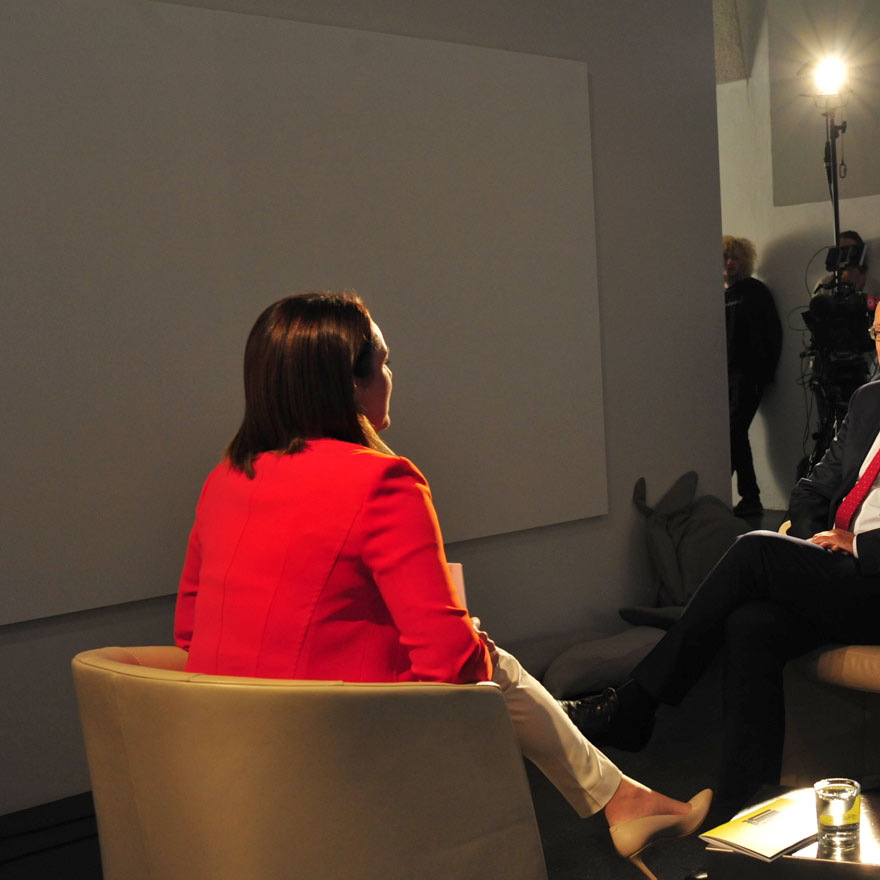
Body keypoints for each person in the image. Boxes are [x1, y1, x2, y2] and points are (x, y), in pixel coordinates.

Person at [174, 292, 709, 878]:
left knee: (486, 662)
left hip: (222, 754)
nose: (392, 376)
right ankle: (622, 799)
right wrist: (465, 643)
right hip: (337, 744)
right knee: (490, 667)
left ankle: (624, 798)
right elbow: (452, 664)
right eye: (383, 362)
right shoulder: (383, 482)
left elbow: (188, 633)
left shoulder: (225, 478)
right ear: (349, 384)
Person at [564, 278, 880, 809]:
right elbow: (812, 489)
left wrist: (862, 547)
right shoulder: (870, 400)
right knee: (750, 623)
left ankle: (636, 702)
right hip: (838, 574)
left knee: (756, 548)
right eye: (879, 332)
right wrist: (814, 546)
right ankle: (744, 804)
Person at [723, 235, 783, 518]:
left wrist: (764, 373)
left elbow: (772, 333)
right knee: (735, 434)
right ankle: (750, 497)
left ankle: (729, 493)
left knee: (733, 432)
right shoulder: (713, 293)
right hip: (720, 377)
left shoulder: (754, 291)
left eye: (735, 257)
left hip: (748, 375)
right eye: (725, 257)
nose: (730, 263)